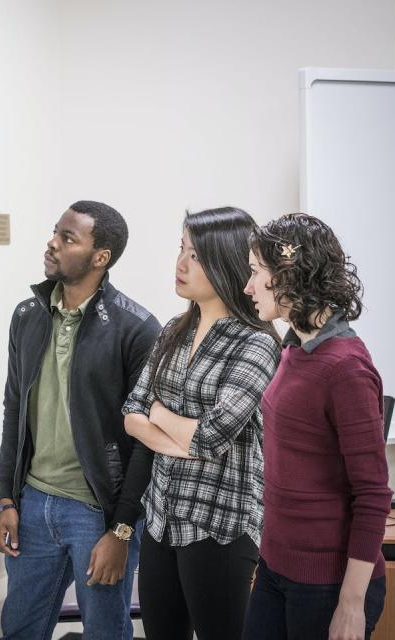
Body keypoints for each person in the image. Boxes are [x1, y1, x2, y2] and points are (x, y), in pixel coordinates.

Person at [0, 200, 161, 640]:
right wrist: (7, 499)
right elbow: (15, 407)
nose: (52, 243)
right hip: (33, 504)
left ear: (100, 257)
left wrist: (122, 530)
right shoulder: (27, 316)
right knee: (19, 630)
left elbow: (146, 441)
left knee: (106, 632)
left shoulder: (136, 327)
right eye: (55, 232)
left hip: (97, 514)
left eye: (68, 238)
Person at [122, 207, 280, 640]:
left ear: (226, 261)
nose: (180, 264)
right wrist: (176, 433)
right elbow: (131, 413)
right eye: (181, 249)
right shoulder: (173, 328)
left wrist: (159, 413)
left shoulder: (257, 343)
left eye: (195, 255)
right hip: (161, 516)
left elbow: (212, 436)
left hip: (219, 522)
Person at [242, 213, 391, 640]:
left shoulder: (346, 368)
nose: (248, 286)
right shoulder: (295, 346)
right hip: (276, 565)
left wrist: (350, 605)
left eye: (255, 273)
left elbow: (373, 495)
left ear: (289, 273)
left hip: (326, 583)